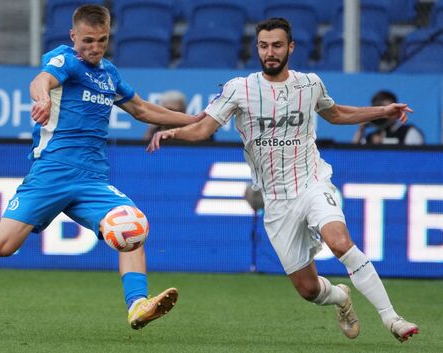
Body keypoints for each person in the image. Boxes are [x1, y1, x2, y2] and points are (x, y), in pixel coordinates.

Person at [147, 17, 419, 342]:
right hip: (276, 201)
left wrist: (381, 112)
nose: (270, 52)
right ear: (257, 48)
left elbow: (336, 114)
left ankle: (392, 319)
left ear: (291, 47)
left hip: (312, 182)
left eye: (277, 45)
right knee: (308, 289)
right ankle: (341, 298)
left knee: (340, 242)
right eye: (263, 46)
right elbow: (204, 127)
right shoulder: (239, 88)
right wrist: (174, 131)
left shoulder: (310, 84)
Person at [0, 4, 200, 330]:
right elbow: (41, 80)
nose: (94, 48)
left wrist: (198, 120)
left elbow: (142, 110)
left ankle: (137, 305)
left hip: (92, 178)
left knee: (132, 227)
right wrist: (43, 98)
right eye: (87, 40)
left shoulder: (109, 74)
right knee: (2, 247)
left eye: (101, 40)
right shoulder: (65, 60)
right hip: (53, 171)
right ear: (74, 35)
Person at [353, 90, 425, 145]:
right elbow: (353, 156)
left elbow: (415, 159)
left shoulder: (409, 132)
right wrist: (361, 129)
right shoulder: (370, 137)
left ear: (397, 110)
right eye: (380, 110)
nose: (384, 113)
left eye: (389, 110)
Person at [143, 90, 214, 141]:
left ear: (184, 111)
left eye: (174, 111)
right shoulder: (153, 133)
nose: (171, 115)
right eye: (166, 111)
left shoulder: (198, 132)